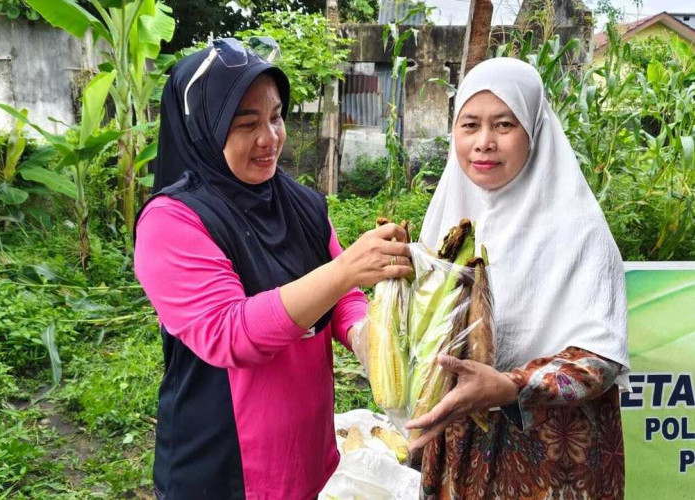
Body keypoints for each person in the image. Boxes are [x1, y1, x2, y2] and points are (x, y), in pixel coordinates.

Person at [133, 38, 412, 499]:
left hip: (305, 452)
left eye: (276, 116)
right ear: (205, 129)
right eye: (247, 124)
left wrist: (365, 336)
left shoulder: (299, 202)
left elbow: (343, 296)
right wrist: (345, 271)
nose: (270, 138)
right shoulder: (173, 222)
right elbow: (229, 332)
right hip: (223, 466)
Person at [407, 57, 630, 499]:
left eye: (504, 125)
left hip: (550, 456)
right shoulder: (448, 217)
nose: (484, 143)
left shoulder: (577, 228)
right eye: (469, 125)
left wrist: (512, 385)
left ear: (534, 129)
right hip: (460, 449)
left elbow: (600, 358)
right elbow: (429, 334)